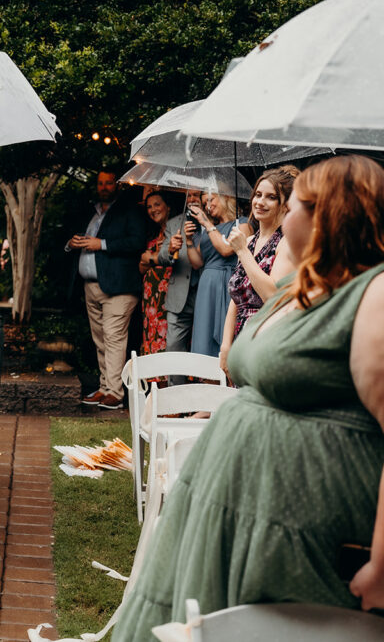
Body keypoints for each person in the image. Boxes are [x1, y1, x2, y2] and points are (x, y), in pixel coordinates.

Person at [113, 155, 384, 639]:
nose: (283, 215)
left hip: (298, 518)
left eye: (296, 204)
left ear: (329, 215)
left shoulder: (375, 295)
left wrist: (382, 563)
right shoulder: (307, 284)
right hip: (234, 498)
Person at [67, 170, 146, 409]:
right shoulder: (91, 213)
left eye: (108, 183)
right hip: (91, 286)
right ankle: (104, 387)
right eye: (100, 183)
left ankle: (115, 392)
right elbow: (78, 239)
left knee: (113, 337)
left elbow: (137, 242)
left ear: (117, 186)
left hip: (119, 286)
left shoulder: (130, 211)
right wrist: (72, 244)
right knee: (100, 339)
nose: (103, 187)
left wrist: (100, 244)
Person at [220, 167, 298, 377]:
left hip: (268, 336)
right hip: (241, 337)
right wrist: (226, 345)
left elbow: (273, 296)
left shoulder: (286, 242)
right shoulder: (249, 241)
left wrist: (242, 251)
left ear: (286, 204)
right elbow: (236, 299)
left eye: (271, 197)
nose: (260, 202)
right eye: (258, 194)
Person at [186, 192, 251, 357]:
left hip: (226, 282)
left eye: (211, 199)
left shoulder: (242, 224)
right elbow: (197, 262)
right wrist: (188, 242)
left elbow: (226, 250)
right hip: (207, 286)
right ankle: (207, 379)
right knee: (204, 336)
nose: (208, 205)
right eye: (204, 202)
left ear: (225, 197)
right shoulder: (208, 230)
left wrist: (207, 224)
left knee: (226, 335)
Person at [157, 190, 203, 369]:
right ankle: (175, 393)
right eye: (189, 196)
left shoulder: (214, 220)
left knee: (204, 351)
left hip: (206, 293)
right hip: (179, 296)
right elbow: (161, 257)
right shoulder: (174, 223)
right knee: (173, 349)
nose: (192, 199)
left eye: (197, 195)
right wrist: (170, 249)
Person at [138, 191, 173, 355]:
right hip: (151, 300)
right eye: (149, 207)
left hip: (168, 297)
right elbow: (141, 267)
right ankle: (154, 379)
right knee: (151, 339)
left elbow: (170, 260)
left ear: (168, 207)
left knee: (167, 341)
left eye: (157, 204)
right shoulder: (154, 235)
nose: (153, 209)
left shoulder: (175, 234)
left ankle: (167, 380)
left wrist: (151, 258)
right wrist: (153, 259)